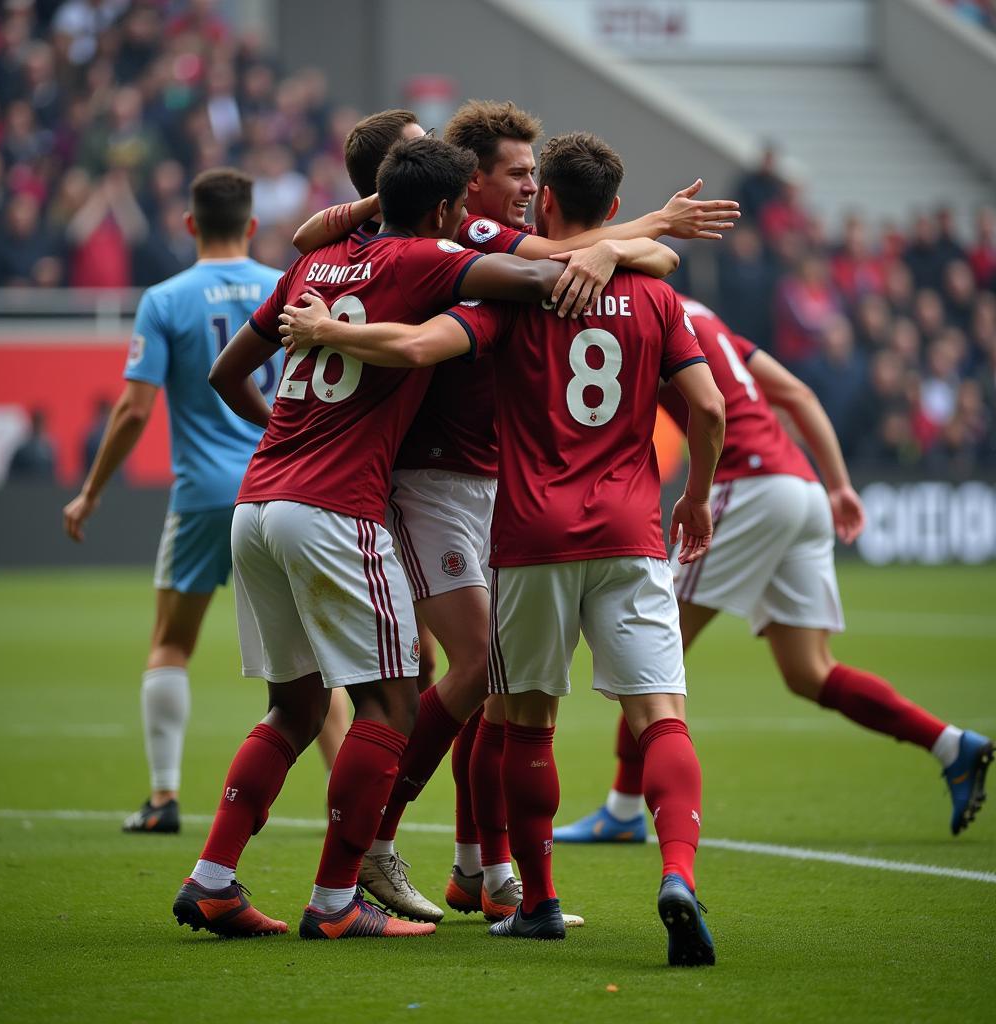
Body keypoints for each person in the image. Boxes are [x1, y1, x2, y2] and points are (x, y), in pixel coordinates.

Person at [280, 132, 726, 965]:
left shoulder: (513, 293)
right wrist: (695, 497)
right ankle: (666, 874)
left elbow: (416, 341)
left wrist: (325, 334)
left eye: (533, 176)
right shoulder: (492, 254)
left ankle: (509, 883)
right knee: (648, 711)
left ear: (550, 196)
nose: (524, 188)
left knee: (517, 713)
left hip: (524, 522)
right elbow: (706, 405)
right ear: (472, 184)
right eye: (511, 173)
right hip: (561, 513)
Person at [172, 135, 615, 940]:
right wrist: (623, 245)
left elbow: (225, 373)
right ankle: (339, 898)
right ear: (448, 209)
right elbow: (542, 275)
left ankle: (213, 880)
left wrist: (292, 431)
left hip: (258, 500)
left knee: (294, 709)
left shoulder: (314, 264)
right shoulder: (424, 261)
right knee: (393, 701)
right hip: (336, 507)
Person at [552, 297, 993, 846]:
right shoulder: (702, 315)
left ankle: (621, 809)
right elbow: (797, 394)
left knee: (651, 649)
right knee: (810, 670)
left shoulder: (641, 315)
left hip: (748, 485)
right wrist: (838, 485)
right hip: (800, 486)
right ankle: (951, 744)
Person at [62, 168, 346, 834]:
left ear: (190, 224)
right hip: (282, 487)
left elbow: (134, 410)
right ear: (251, 225)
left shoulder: (164, 299)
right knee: (316, 673)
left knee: (170, 645)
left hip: (200, 497)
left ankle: (163, 798)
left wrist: (90, 491)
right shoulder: (292, 282)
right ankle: (360, 824)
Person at [7, 407, 57, 483]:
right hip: (26, 489)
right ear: (33, 423)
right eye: (38, 423)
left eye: (42, 423)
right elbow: (13, 475)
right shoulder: (23, 450)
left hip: (45, 489)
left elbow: (53, 474)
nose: (41, 426)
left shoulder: (50, 449)